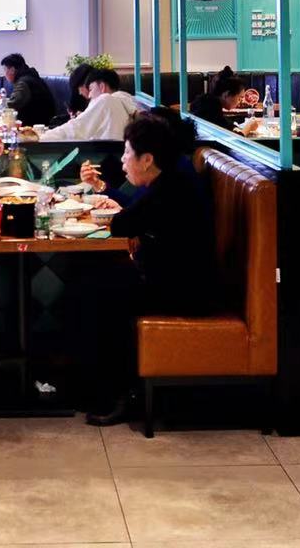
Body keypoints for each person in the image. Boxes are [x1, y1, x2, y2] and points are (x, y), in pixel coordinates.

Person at [77, 111, 220, 425]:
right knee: (94, 280)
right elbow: (135, 217)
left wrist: (127, 222)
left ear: (147, 159)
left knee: (100, 292)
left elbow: (123, 224)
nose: (123, 160)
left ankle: (121, 395)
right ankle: (99, 387)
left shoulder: (172, 186)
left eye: (127, 153)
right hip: (174, 280)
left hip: (187, 292)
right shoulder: (170, 177)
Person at [35, 68, 137, 142]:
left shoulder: (105, 100)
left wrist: (40, 137)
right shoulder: (126, 101)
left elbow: (74, 129)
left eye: (91, 89)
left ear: (102, 87)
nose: (90, 95)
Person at [0, 53, 57, 128]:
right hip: (44, 122)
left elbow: (11, 106)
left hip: (35, 126)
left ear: (12, 70)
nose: (4, 74)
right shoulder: (32, 77)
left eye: (5, 70)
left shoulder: (23, 83)